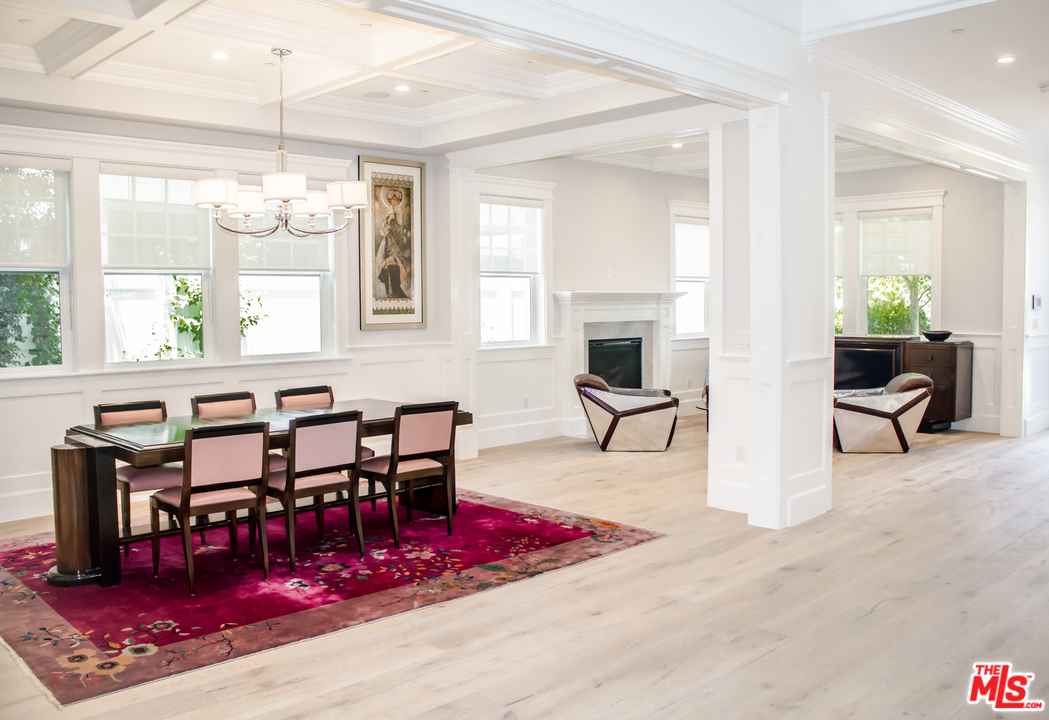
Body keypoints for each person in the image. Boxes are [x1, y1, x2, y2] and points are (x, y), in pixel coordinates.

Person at [374, 187, 411, 299]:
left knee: (397, 259)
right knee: (388, 258)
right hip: (389, 236)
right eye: (392, 199)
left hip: (396, 236)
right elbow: (384, 224)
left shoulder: (398, 211)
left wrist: (395, 213)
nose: (394, 201)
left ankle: (397, 288)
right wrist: (388, 222)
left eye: (396, 199)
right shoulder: (387, 210)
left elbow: (399, 223)